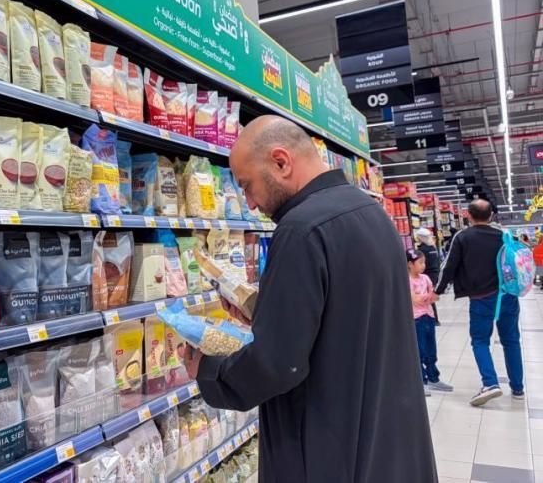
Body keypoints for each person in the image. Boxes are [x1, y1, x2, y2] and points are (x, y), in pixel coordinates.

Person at [183, 115, 437, 483]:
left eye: (247, 186)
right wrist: (265, 311)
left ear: (281, 162)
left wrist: (208, 371)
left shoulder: (300, 230)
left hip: (330, 448)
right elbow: (348, 314)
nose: (249, 203)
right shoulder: (372, 213)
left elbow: (278, 365)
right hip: (386, 438)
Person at [436, 199, 524, 405]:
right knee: (511, 341)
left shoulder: (463, 237)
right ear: (491, 215)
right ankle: (517, 387)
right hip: (508, 296)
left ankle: (490, 383)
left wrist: (437, 291)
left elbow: (448, 266)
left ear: (468, 215)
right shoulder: (504, 235)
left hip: (481, 298)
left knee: (480, 341)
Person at [407, 248, 452, 394]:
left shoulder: (425, 278)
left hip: (429, 316)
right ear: (410, 264)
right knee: (420, 350)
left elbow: (434, 297)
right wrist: (427, 297)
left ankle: (434, 378)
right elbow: (416, 300)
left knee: (431, 349)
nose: (423, 266)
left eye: (424, 262)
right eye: (420, 263)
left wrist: (427, 297)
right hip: (416, 319)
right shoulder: (407, 280)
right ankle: (421, 380)